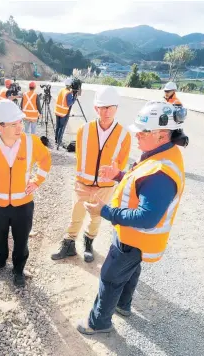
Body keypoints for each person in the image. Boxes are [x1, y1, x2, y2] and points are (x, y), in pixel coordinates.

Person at [76, 101, 188, 335]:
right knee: (130, 271)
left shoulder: (161, 172)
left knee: (110, 276)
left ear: (162, 135)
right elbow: (141, 184)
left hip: (134, 236)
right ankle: (123, 305)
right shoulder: (162, 155)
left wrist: (104, 211)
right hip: (137, 241)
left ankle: (99, 323)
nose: (136, 135)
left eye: (142, 131)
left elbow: (147, 217)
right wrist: (119, 175)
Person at [0, 99, 52, 287]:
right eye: (13, 124)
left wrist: (37, 181)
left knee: (21, 238)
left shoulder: (31, 142)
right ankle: (0, 260)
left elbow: (46, 160)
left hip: (23, 205)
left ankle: (18, 269)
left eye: (20, 122)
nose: (20, 128)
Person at [51, 86, 131, 263]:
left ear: (117, 108)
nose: (106, 111)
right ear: (96, 108)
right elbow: (80, 156)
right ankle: (69, 244)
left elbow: (121, 163)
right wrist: (83, 179)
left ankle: (88, 243)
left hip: (105, 186)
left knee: (95, 217)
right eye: (102, 107)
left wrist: (107, 179)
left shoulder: (124, 135)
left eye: (110, 107)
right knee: (76, 214)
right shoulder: (84, 130)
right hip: (83, 183)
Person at [54, 78, 76, 146]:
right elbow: (69, 103)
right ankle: (59, 141)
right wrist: (74, 98)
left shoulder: (62, 90)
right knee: (61, 127)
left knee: (57, 126)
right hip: (63, 113)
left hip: (57, 111)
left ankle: (56, 139)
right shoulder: (68, 93)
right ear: (70, 85)